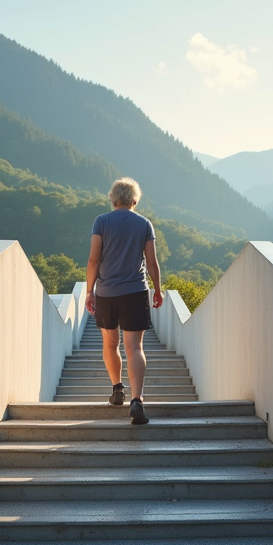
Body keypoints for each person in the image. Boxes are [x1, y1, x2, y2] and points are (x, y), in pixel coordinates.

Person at [85, 177, 164, 425]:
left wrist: (89, 291)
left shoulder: (101, 221)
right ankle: (137, 401)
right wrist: (157, 290)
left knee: (110, 344)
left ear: (113, 199)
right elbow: (152, 262)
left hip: (107, 292)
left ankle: (117, 389)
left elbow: (93, 260)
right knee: (135, 347)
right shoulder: (144, 224)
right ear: (134, 201)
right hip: (135, 291)